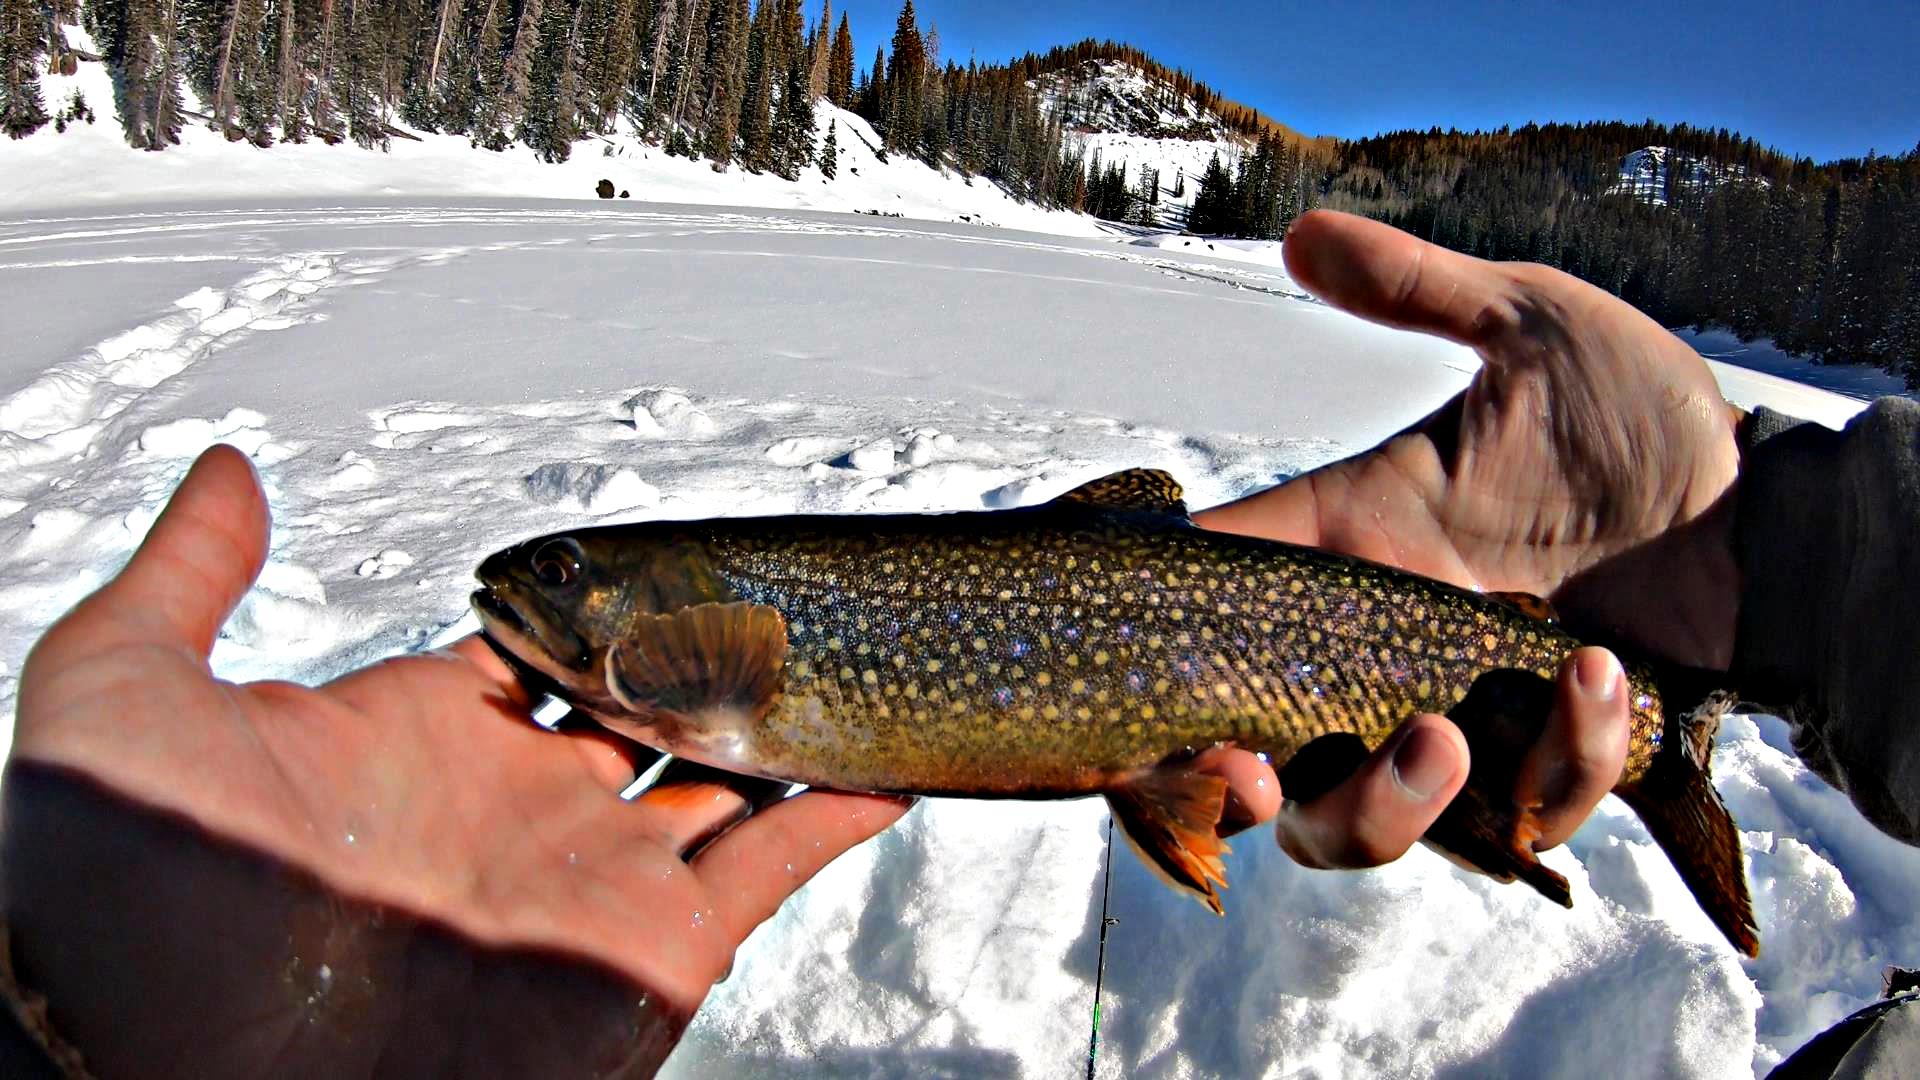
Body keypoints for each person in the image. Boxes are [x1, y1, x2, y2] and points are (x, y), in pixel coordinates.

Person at [0, 210, 1911, 1077]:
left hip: (1375, 640)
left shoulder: (719, 659)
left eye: (588, 590)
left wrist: (1773, 568)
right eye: (578, 589)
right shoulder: (725, 661)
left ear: (694, 630)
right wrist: (1790, 559)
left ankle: (1672, 736)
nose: (550, 613)